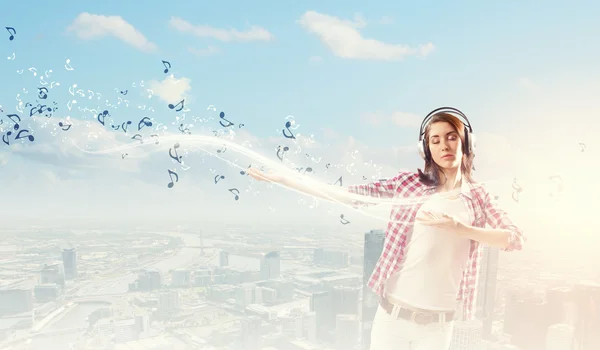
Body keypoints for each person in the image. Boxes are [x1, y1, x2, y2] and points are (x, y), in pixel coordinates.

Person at [248, 107, 525, 350]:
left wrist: (461, 229)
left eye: (451, 137)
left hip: (438, 327)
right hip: (392, 318)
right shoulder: (408, 185)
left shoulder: (478, 197)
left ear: (466, 142)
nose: (444, 146)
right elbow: (350, 194)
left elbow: (514, 239)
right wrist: (285, 180)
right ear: (426, 149)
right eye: (435, 140)